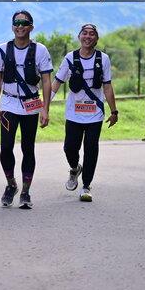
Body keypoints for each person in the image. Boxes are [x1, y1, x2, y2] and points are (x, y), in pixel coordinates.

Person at [0, 10, 52, 209]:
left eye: (24, 23)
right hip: (9, 103)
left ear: (31, 27)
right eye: (16, 23)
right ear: (12, 27)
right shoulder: (2, 50)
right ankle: (11, 185)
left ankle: (25, 192)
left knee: (28, 148)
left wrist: (45, 110)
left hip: (31, 105)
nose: (20, 26)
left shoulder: (40, 50)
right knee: (6, 147)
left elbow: (46, 81)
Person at [51, 23, 118, 202]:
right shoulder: (70, 58)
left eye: (92, 34)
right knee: (69, 147)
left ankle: (86, 186)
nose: (88, 36)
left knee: (91, 149)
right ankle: (75, 169)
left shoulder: (103, 59)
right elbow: (57, 83)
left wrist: (114, 111)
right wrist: (45, 105)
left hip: (95, 114)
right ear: (79, 36)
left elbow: (107, 86)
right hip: (73, 114)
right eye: (85, 33)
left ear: (96, 39)